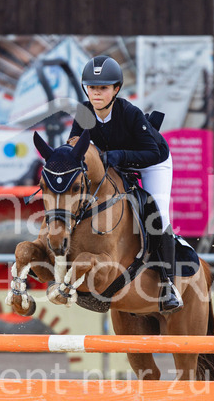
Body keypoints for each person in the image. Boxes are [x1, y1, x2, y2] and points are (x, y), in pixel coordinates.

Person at [67, 55, 182, 314]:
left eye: (103, 88)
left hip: (153, 161)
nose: (97, 93)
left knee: (159, 217)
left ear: (116, 89)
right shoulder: (84, 113)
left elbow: (151, 152)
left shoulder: (129, 113)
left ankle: (168, 285)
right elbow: (74, 148)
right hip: (113, 163)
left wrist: (119, 156)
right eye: (92, 87)